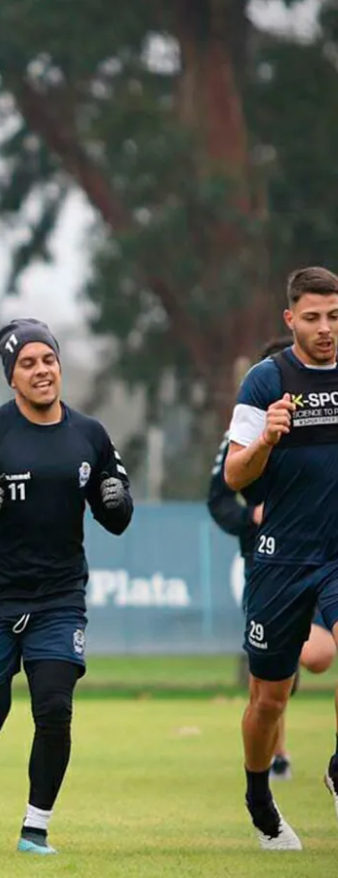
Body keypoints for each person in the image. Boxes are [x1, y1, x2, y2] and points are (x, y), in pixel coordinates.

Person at [0, 318, 132, 856]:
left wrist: (115, 498)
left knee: (55, 707)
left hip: (60, 598)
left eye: (48, 360)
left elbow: (118, 514)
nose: (41, 371)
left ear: (60, 365)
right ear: (12, 377)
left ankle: (35, 828)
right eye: (28, 364)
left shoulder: (90, 434)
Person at [224, 266, 338, 850]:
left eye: (334, 316)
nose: (325, 329)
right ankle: (259, 799)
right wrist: (266, 440)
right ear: (290, 318)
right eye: (313, 317)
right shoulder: (266, 382)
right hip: (282, 558)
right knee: (269, 698)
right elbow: (234, 474)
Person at [207, 335, 337, 782]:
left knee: (319, 657)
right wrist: (253, 517)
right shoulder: (245, 431)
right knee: (271, 686)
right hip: (269, 562)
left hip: (327, 556)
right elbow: (221, 497)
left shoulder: (323, 419)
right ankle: (274, 759)